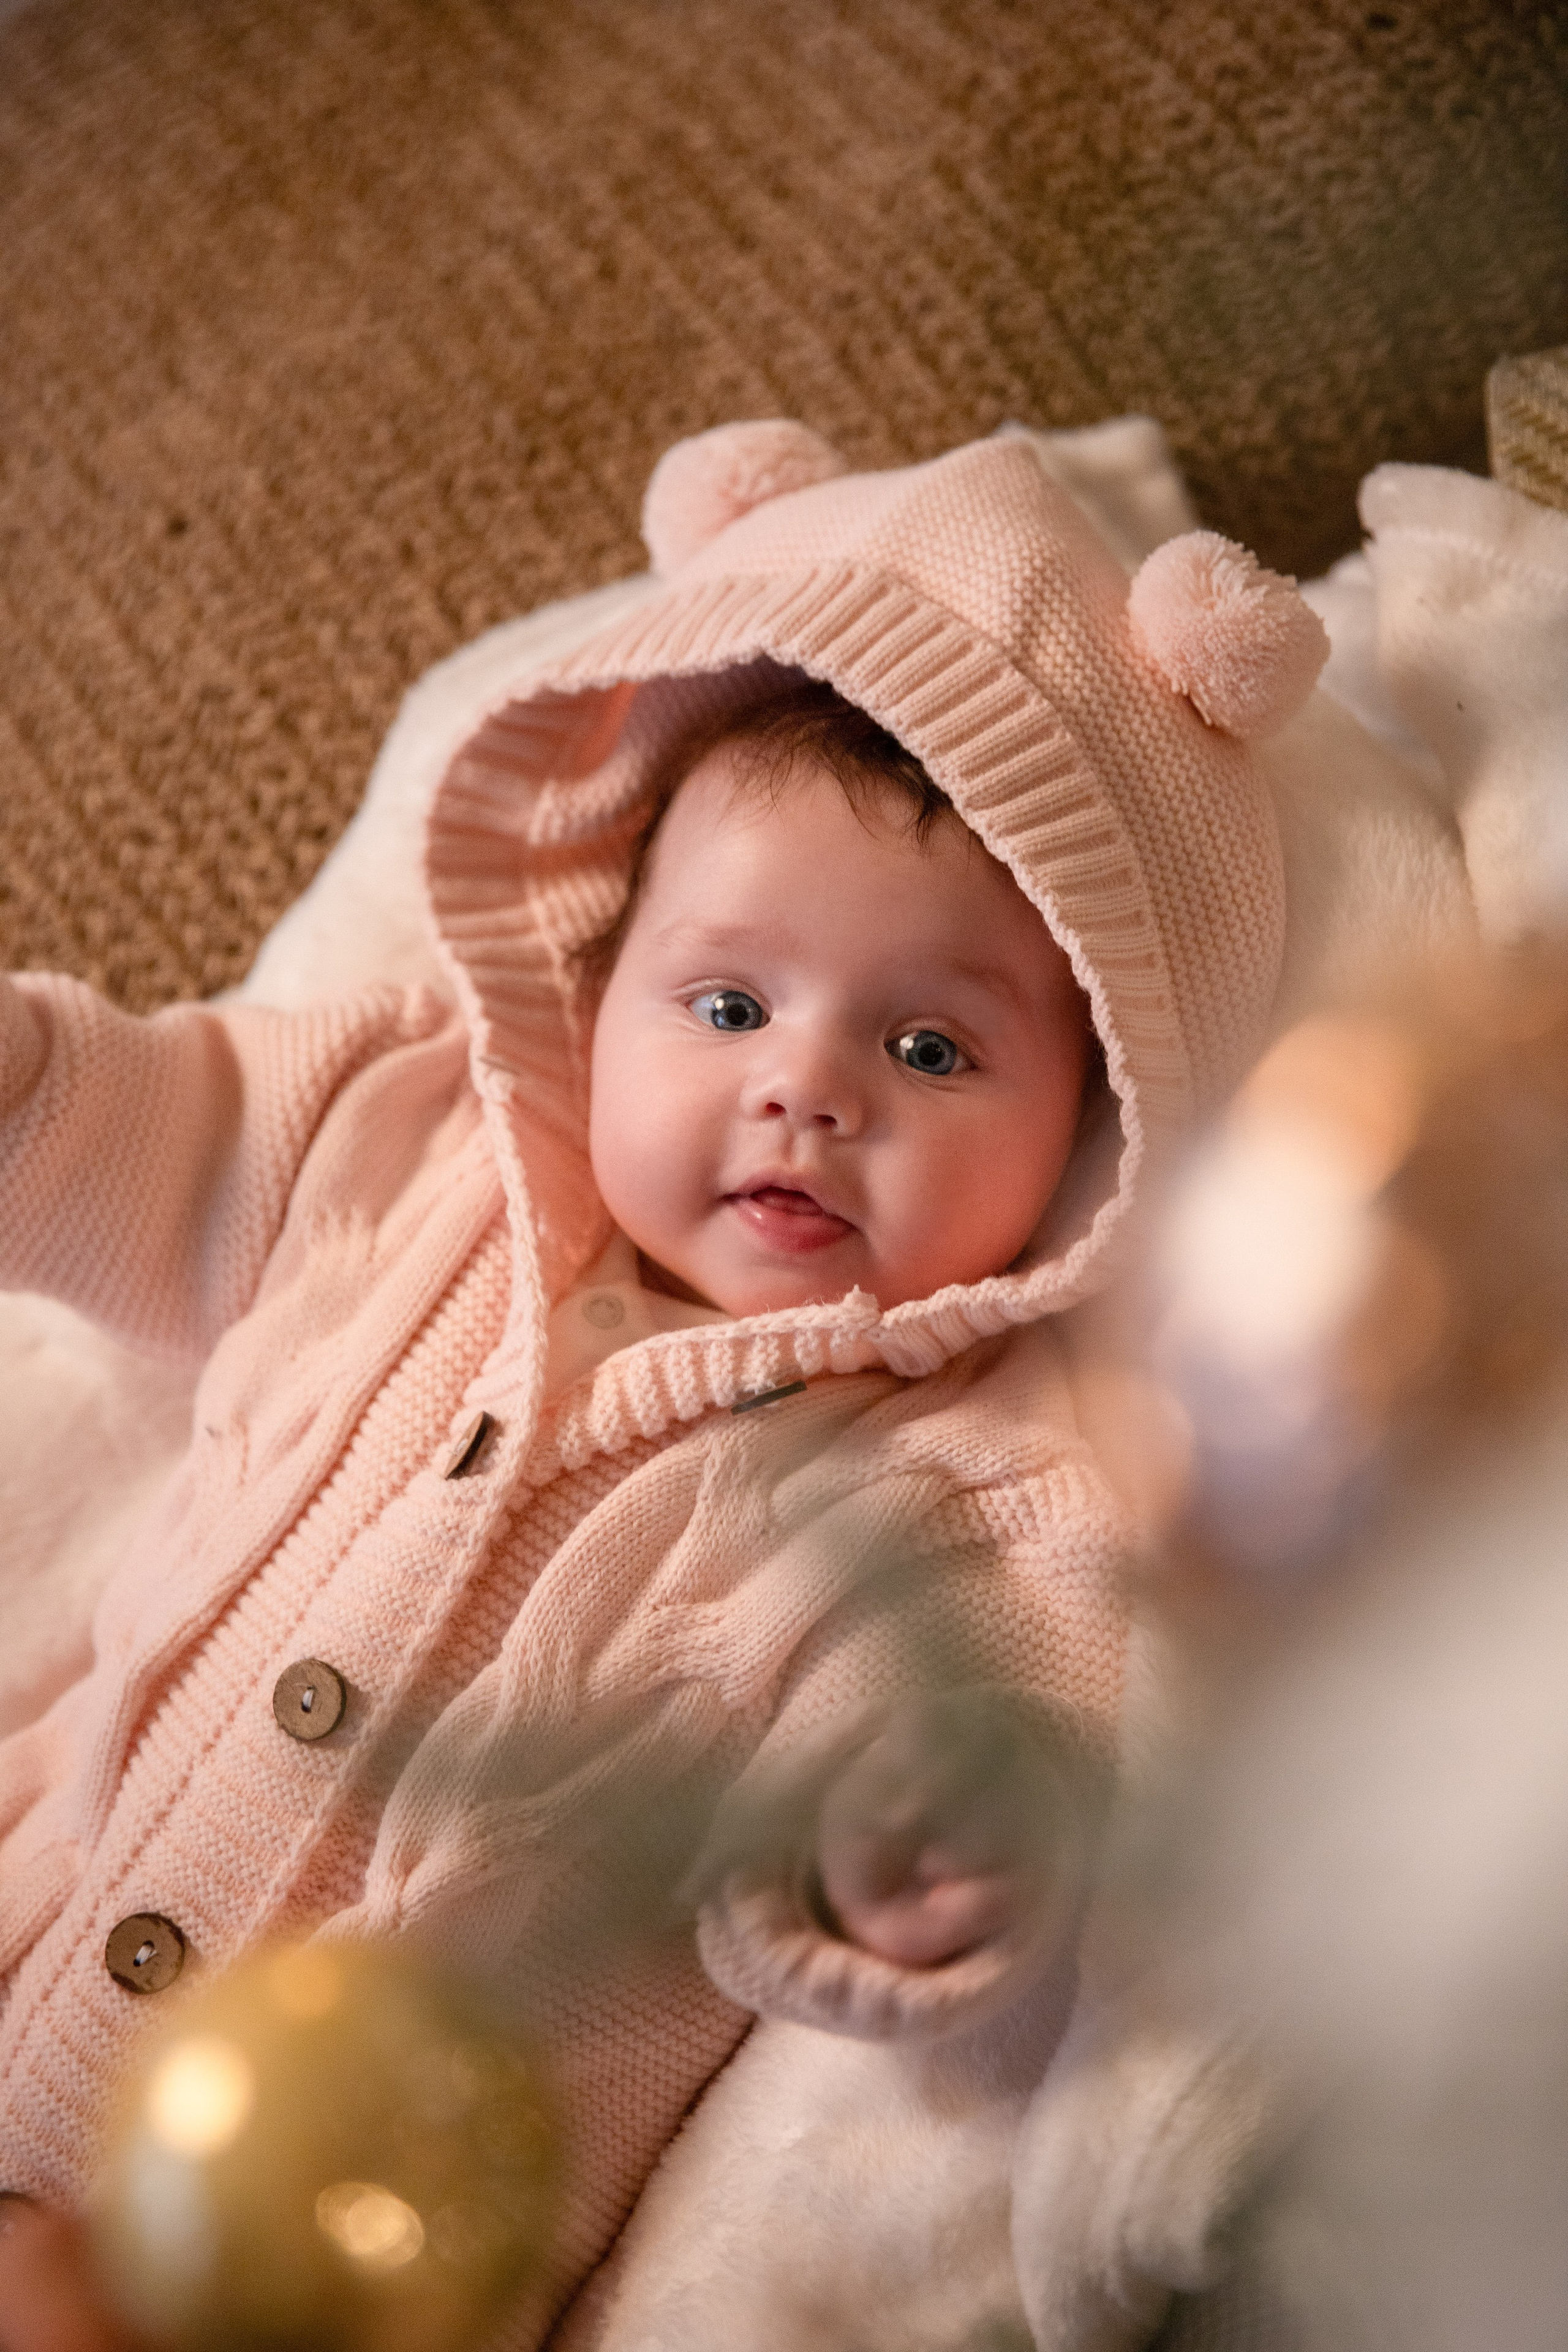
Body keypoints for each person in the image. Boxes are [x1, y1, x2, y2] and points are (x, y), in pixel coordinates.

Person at [0, 419, 1325, 2348]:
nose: (806, 1088)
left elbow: (975, 1750)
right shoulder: (409, 1142)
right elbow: (144, 1131)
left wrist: (911, 1864)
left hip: (340, 2267)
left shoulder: (978, 1491)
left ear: (1092, 1134)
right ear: (597, 993)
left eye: (934, 1050)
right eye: (726, 1004)